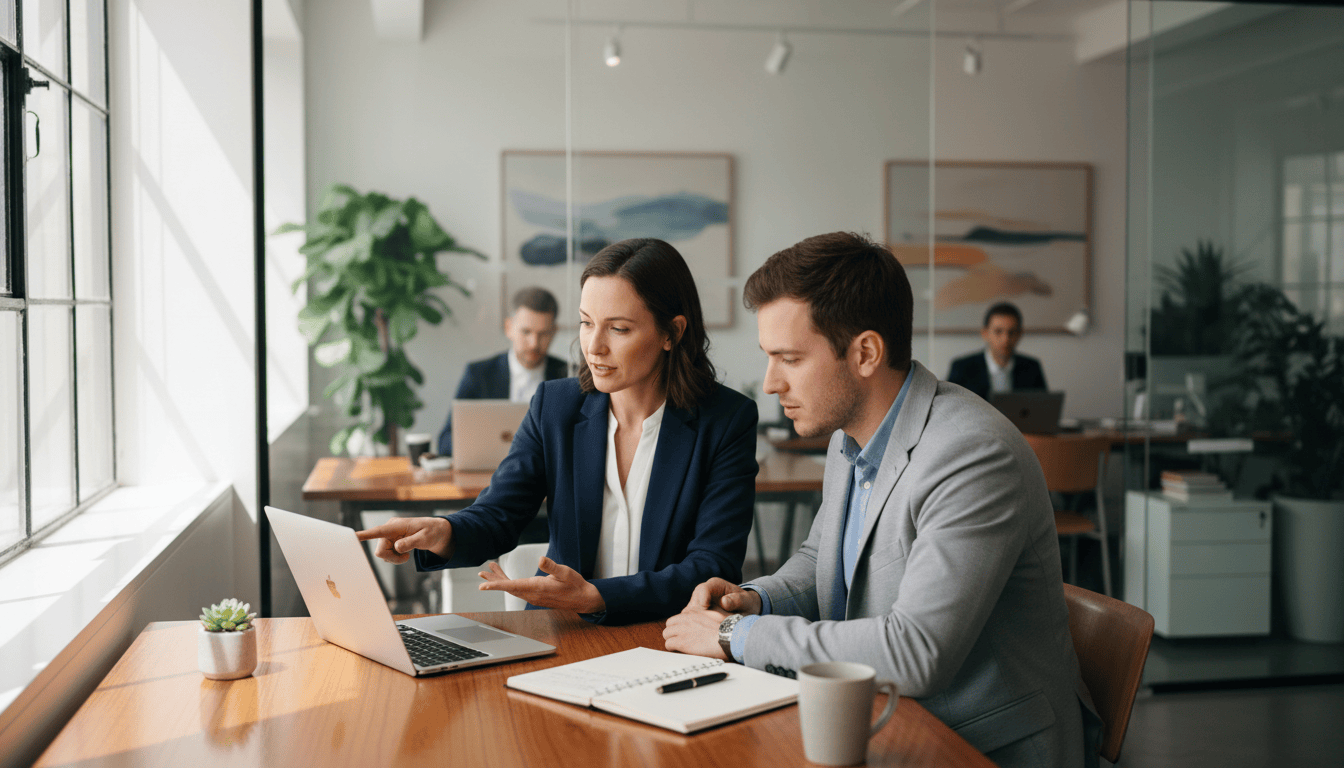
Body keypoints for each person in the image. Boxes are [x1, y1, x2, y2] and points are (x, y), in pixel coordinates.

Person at [663, 232, 1099, 768]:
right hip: (888, 720)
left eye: (789, 358)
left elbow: (916, 652)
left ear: (865, 352)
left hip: (979, 745)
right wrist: (752, 601)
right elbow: (819, 562)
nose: (771, 382)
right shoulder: (852, 436)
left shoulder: (972, 455)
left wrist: (736, 636)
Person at [359, 238, 759, 624]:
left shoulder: (726, 419)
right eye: (586, 323)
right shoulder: (556, 405)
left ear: (672, 332)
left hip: (670, 633)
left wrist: (600, 598)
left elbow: (713, 564)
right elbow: (500, 513)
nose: (594, 346)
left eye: (618, 329)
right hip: (564, 630)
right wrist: (442, 530)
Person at [436, 286, 569, 455]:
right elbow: (445, 442)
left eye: (543, 334)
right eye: (526, 332)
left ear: (554, 332)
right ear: (509, 328)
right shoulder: (479, 374)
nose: (534, 343)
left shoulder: (569, 376)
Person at [946, 301, 1048, 401]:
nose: (1005, 339)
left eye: (1011, 332)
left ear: (1019, 334)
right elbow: (948, 408)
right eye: (998, 332)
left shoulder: (1032, 368)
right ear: (985, 333)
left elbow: (1043, 408)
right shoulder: (962, 368)